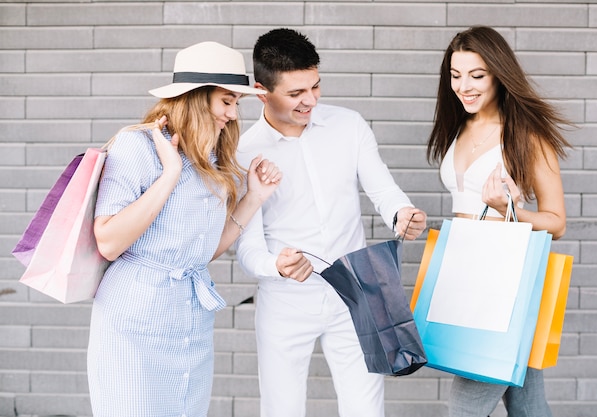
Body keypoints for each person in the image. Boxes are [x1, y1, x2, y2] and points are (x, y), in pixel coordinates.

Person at [234, 28, 427, 417]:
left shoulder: (349, 125)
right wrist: (277, 266)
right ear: (261, 92)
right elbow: (247, 247)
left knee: (366, 409)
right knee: (281, 410)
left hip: (354, 295)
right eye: (296, 94)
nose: (311, 101)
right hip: (285, 303)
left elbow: (384, 191)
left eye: (315, 87)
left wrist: (401, 214)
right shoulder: (242, 153)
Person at [87, 41, 282, 417]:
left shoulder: (213, 158)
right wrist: (170, 173)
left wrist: (254, 197)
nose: (233, 113)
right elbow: (108, 241)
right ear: (195, 97)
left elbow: (202, 253)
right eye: (227, 101)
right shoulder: (137, 147)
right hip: (134, 319)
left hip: (190, 318)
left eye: (235, 103)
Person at [426, 26, 572, 417]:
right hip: (462, 273)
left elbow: (557, 221)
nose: (463, 86)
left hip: (500, 284)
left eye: (477, 75)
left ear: (498, 74)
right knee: (528, 405)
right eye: (456, 75)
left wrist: (509, 210)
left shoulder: (526, 135)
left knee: (464, 406)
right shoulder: (461, 125)